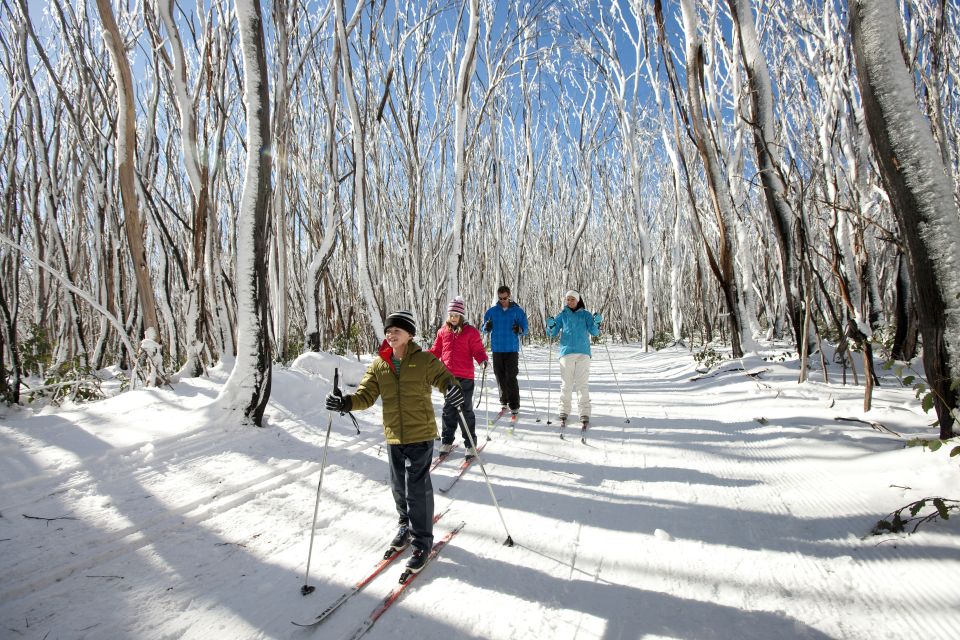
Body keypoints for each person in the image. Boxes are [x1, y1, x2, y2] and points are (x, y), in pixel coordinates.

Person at [325, 310, 462, 576]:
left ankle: (422, 541)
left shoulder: (423, 360)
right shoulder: (379, 364)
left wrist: (452, 388)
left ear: (410, 334)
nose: (391, 334)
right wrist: (344, 403)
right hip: (394, 435)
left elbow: (445, 378)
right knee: (398, 486)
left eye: (397, 330)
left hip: (420, 434)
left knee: (416, 488)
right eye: (388, 330)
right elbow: (365, 396)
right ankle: (405, 525)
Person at [430, 296, 489, 459]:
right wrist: (423, 358)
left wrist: (483, 360)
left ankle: (470, 443)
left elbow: (478, 350)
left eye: (456, 315)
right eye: (451, 315)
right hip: (447, 377)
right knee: (449, 410)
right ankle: (447, 441)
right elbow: (435, 351)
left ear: (462, 316)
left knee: (465, 409)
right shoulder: (443, 331)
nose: (453, 318)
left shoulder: (471, 332)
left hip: (465, 377)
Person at [546, 290, 601, 427]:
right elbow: (551, 333)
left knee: (582, 384)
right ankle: (564, 411)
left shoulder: (586, 315)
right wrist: (551, 325)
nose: (569, 302)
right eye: (568, 299)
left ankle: (584, 412)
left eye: (572, 299)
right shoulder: (562, 315)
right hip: (566, 353)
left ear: (577, 300)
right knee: (566, 384)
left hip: (583, 353)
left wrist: (597, 323)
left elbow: (594, 332)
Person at [482, 285, 528, 419]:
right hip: (497, 349)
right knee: (499, 375)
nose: (503, 300)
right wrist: (486, 326)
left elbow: (525, 329)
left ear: (509, 296)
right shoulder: (492, 311)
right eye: (500, 298)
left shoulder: (517, 311)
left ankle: (514, 405)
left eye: (505, 298)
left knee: (511, 376)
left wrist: (519, 329)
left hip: (511, 349)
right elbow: (483, 329)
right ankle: (504, 401)